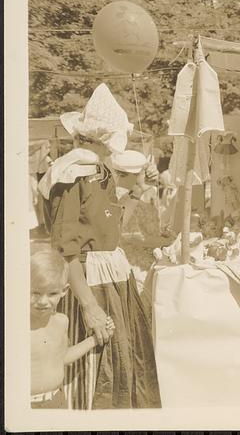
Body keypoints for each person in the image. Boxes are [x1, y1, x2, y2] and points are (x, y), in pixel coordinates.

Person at [39, 83, 161, 409]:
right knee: (95, 376)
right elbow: (67, 250)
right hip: (90, 288)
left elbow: (106, 223)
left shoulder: (100, 173)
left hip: (112, 284)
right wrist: (90, 307)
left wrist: (139, 186)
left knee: (122, 368)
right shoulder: (73, 175)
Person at [30, 249, 115, 409]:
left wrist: (95, 340)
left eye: (52, 293)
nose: (42, 301)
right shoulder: (18, 326)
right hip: (27, 404)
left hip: (56, 400)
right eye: (35, 292)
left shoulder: (61, 322)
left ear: (64, 291)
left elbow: (63, 357)